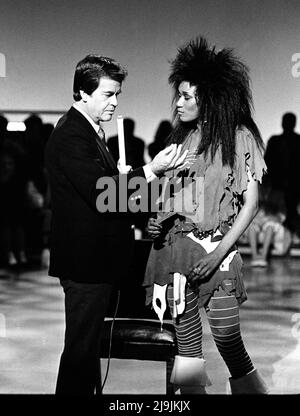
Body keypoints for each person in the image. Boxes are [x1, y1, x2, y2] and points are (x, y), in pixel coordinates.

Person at [44, 54, 187, 395]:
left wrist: (133, 189)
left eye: (117, 94)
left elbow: (110, 193)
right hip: (85, 262)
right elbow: (102, 195)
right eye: (108, 94)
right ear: (82, 93)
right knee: (80, 353)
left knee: (86, 351)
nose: (115, 102)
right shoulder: (71, 135)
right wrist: (150, 170)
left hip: (97, 259)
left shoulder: (90, 131)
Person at [143, 37, 269, 394]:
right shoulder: (180, 139)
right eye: (178, 95)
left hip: (219, 253)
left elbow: (251, 204)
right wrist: (157, 221)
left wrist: (217, 254)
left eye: (186, 96)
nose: (178, 103)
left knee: (229, 341)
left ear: (209, 99)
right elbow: (172, 198)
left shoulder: (239, 138)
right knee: (187, 353)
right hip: (174, 255)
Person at [247, 186, 292, 267]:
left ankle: (263, 257)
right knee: (251, 226)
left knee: (269, 225)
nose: (265, 183)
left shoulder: (278, 195)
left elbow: (282, 215)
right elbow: (247, 214)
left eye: (267, 181)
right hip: (257, 227)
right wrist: (257, 220)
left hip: (274, 229)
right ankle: (255, 257)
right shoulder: (253, 193)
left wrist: (266, 219)